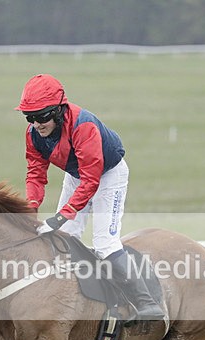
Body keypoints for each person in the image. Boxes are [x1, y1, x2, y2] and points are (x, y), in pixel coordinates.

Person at [15, 74, 165, 321]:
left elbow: (91, 181)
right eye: (29, 117)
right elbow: (35, 175)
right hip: (77, 175)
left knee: (105, 243)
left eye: (41, 116)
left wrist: (61, 216)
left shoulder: (83, 126)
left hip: (107, 175)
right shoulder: (33, 134)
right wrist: (31, 210)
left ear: (58, 111)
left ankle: (146, 302)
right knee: (64, 240)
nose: (36, 124)